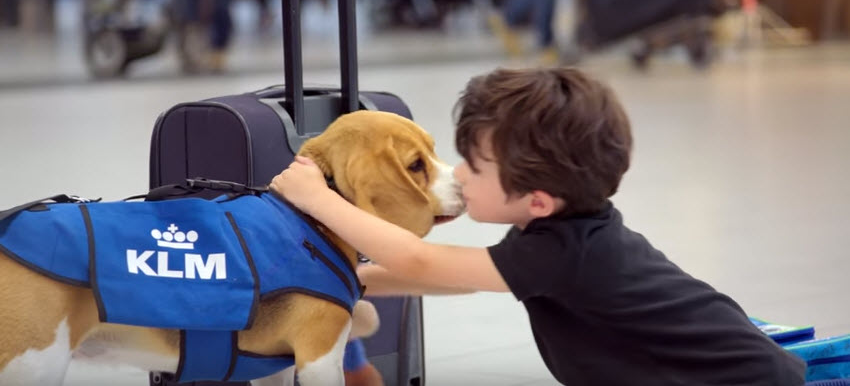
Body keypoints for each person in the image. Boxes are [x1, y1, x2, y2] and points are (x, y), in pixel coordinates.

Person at [270, 67, 806, 385]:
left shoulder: (562, 253)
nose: (458, 176)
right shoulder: (564, 235)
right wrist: (346, 278)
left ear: (539, 200)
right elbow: (449, 278)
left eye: (474, 168)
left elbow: (420, 260)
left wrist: (316, 197)